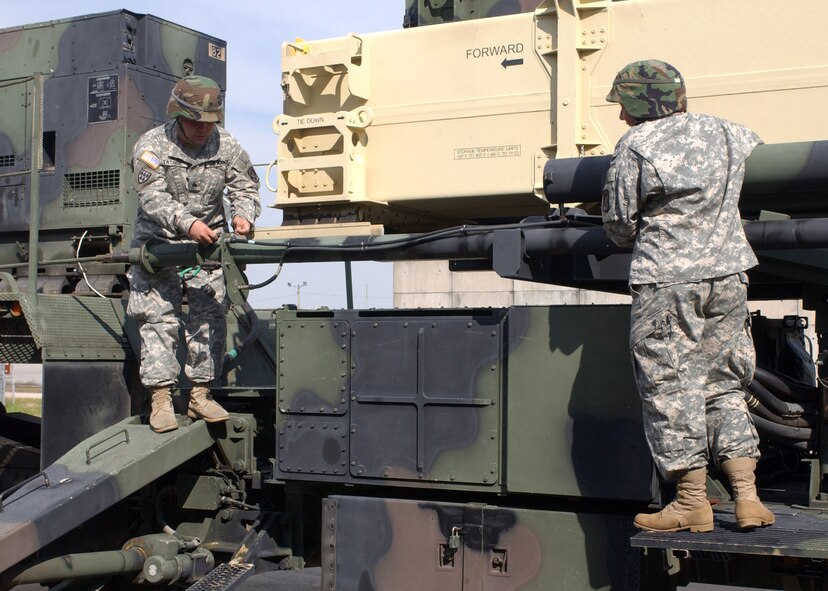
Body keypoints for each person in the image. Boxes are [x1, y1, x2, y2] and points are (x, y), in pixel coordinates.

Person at [601, 60, 774, 532]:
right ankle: (747, 498)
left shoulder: (637, 146)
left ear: (639, 103)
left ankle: (691, 502)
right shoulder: (728, 132)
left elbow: (618, 226)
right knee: (724, 384)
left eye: (624, 106)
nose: (620, 117)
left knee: (670, 387)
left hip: (669, 283)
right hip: (731, 276)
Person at [127, 75, 261, 433]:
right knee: (158, 320)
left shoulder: (228, 146)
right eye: (195, 122)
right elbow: (151, 196)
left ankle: (200, 396)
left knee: (210, 317)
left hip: (208, 249)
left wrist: (243, 216)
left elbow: (245, 186)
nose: (203, 129)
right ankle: (161, 401)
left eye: (210, 122)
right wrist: (186, 224)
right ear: (178, 116)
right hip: (160, 248)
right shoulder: (151, 146)